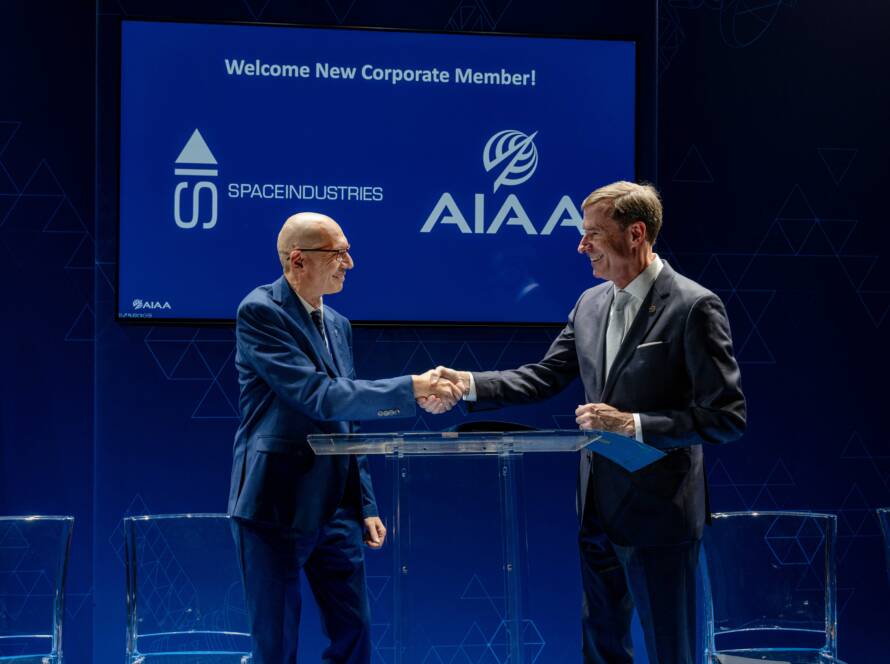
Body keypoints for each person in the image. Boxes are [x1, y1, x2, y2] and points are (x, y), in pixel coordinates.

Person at [425, 182, 746, 663]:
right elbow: (541, 377)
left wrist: (633, 424)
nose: (581, 245)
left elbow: (725, 417)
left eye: (593, 234)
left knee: (668, 650)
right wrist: (467, 382)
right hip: (598, 506)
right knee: (600, 648)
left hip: (660, 513)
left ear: (635, 233)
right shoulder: (590, 304)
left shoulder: (693, 306)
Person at [228, 212, 464, 664]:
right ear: (298, 261)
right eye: (338, 253)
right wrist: (414, 386)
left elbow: (346, 421)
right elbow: (319, 397)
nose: (349, 263)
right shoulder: (260, 312)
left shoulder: (338, 322)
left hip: (336, 506)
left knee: (354, 633)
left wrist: (365, 504)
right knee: (275, 644)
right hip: (275, 504)